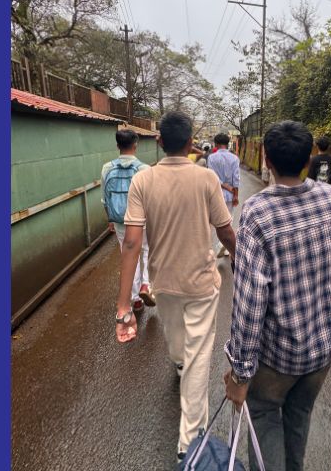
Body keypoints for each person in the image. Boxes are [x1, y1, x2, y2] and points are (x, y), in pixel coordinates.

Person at [224, 121, 331, 471]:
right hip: (322, 352)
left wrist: (241, 374)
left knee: (265, 414)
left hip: (277, 357)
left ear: (267, 160)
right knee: (299, 415)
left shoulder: (258, 213)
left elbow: (249, 303)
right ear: (308, 161)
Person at [114, 111, 237, 462]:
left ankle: (181, 371)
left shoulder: (143, 180)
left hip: (163, 282)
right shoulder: (206, 178)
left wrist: (123, 306)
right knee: (197, 358)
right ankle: (189, 444)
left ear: (159, 142)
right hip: (201, 283)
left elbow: (131, 243)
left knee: (177, 337)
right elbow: (225, 231)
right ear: (190, 143)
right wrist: (240, 258)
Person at [101, 129, 152, 312]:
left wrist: (110, 219)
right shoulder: (145, 169)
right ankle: (146, 284)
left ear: (117, 146)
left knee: (128, 256)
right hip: (142, 220)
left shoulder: (107, 168)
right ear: (135, 145)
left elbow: (105, 199)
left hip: (120, 220)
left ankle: (135, 299)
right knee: (146, 250)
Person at [207, 133, 240, 258]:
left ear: (216, 144)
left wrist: (225, 186)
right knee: (229, 219)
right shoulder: (234, 158)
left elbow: (212, 177)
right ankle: (224, 247)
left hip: (216, 193)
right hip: (230, 195)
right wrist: (235, 194)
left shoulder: (211, 158)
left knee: (216, 221)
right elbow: (236, 178)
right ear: (227, 144)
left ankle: (220, 245)